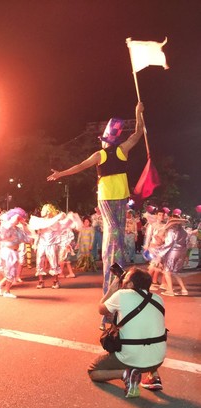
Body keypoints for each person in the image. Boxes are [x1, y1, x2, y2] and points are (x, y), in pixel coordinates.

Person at [47, 102, 145, 295]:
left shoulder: (100, 154)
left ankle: (116, 262)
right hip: (118, 197)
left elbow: (80, 166)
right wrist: (138, 113)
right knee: (115, 231)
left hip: (109, 197)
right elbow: (139, 132)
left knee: (116, 232)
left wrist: (61, 174)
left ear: (105, 140)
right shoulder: (122, 149)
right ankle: (114, 262)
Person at [88, 267, 167, 397]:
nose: (122, 280)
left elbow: (101, 309)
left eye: (125, 278)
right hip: (158, 358)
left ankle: (127, 374)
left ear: (130, 284)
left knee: (93, 370)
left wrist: (112, 290)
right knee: (148, 331)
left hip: (131, 357)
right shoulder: (158, 299)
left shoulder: (122, 295)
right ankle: (153, 375)